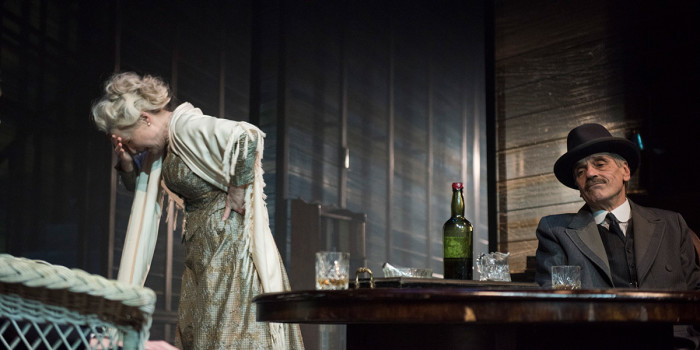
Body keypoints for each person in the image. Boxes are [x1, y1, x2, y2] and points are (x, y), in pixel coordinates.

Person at [91, 72, 304, 350]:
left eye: (130, 139)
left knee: (231, 337)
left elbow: (248, 137)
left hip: (229, 249)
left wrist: (237, 191)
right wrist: (127, 160)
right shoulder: (163, 149)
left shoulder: (185, 126)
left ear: (145, 118)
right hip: (203, 251)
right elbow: (142, 188)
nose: (134, 146)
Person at [535, 123, 700, 290]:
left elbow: (694, 291)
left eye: (600, 164)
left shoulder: (672, 225)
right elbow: (555, 300)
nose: (590, 173)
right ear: (578, 187)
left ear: (625, 171)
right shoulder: (556, 232)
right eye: (580, 171)